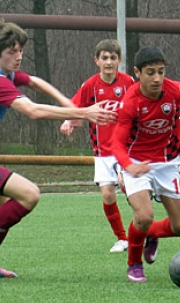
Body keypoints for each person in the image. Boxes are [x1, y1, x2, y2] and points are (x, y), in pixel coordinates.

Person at [0, 19, 117, 278]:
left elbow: (34, 81)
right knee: (29, 195)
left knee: (2, 214)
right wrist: (83, 112)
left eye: (20, 51)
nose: (18, 57)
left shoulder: (2, 71)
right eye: (12, 52)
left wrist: (67, 103)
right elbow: (32, 110)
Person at [111, 46, 180, 282]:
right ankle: (134, 263)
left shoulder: (175, 90)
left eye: (161, 72)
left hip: (168, 161)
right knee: (144, 216)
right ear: (137, 73)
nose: (157, 78)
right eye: (150, 72)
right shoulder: (130, 102)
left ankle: (150, 234)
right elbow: (116, 144)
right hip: (136, 162)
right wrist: (128, 165)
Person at [60, 39, 135, 253]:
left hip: (126, 147)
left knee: (129, 188)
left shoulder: (128, 82)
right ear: (97, 60)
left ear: (119, 60)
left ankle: (141, 231)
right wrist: (68, 121)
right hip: (102, 151)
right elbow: (75, 107)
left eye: (113, 58)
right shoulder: (90, 85)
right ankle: (122, 239)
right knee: (108, 195)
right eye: (105, 58)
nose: (109, 62)